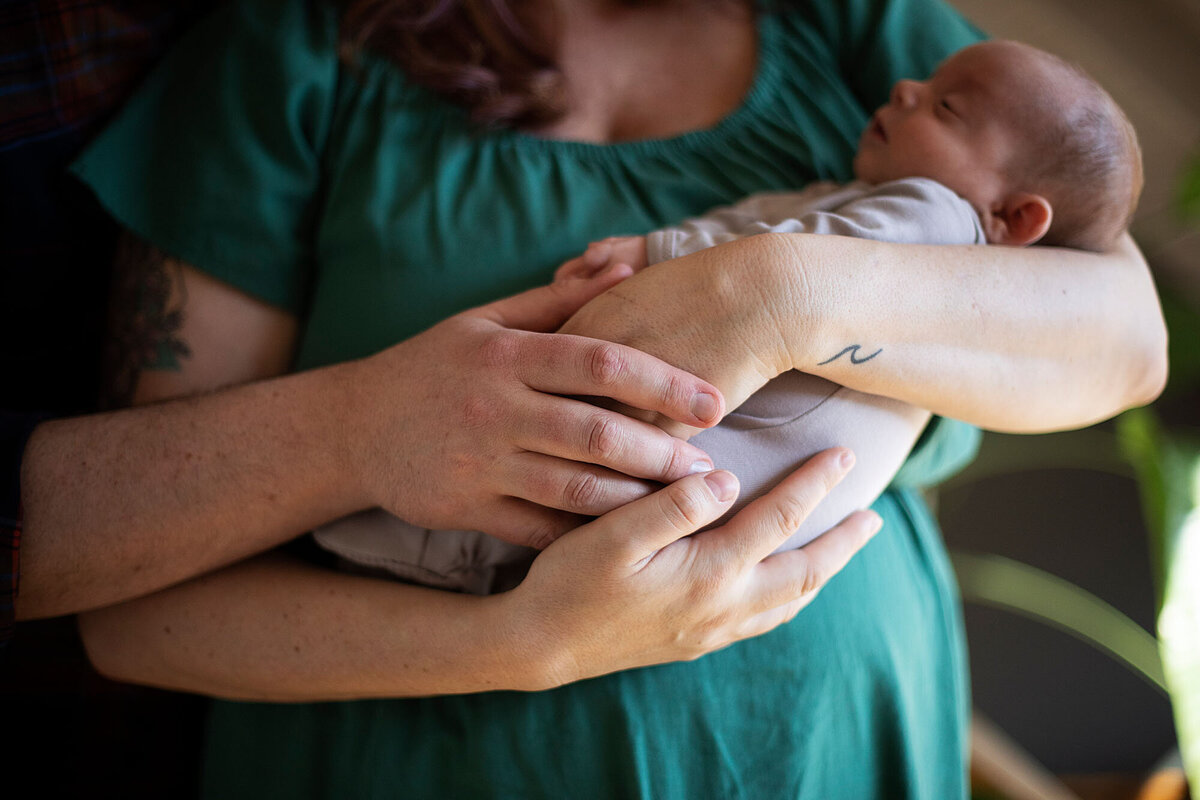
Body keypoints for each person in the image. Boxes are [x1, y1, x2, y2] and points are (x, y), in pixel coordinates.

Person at [68, 0, 1167, 798]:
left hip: (824, 750)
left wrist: (773, 290)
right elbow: (130, 611)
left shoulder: (861, 32)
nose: (912, 102)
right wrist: (525, 641)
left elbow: (1127, 342)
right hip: (415, 758)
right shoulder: (289, 52)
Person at [312, 39, 1144, 594]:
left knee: (531, 486)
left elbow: (797, 248)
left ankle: (378, 542)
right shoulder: (906, 212)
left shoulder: (934, 219)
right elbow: (784, 217)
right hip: (709, 520)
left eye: (949, 110)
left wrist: (662, 251)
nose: (908, 85)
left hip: (691, 481)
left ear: (1015, 219)